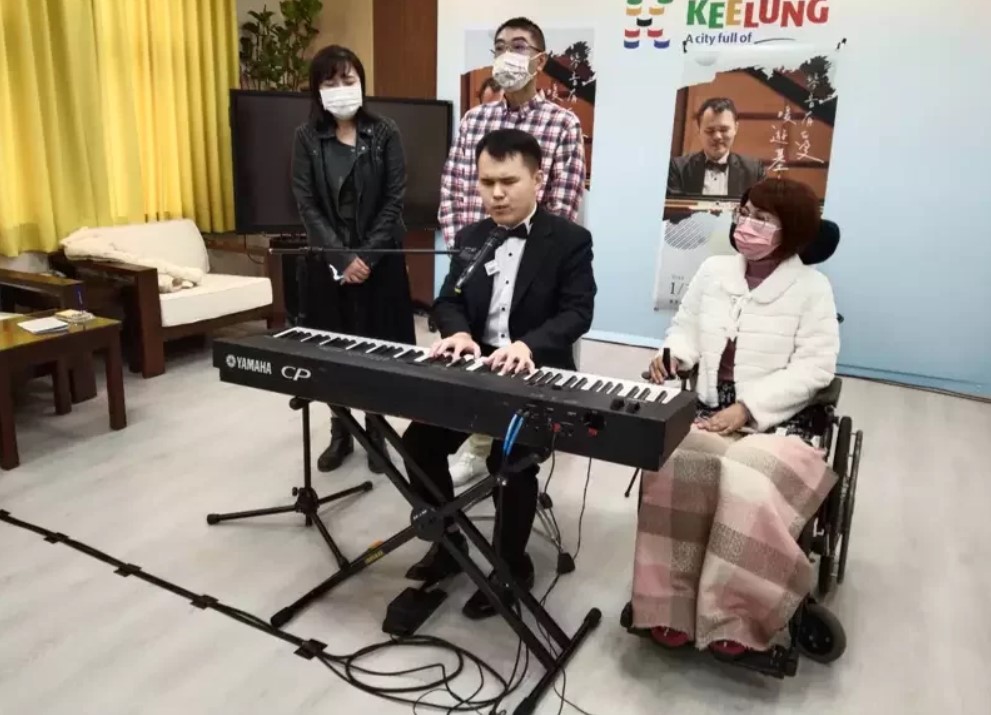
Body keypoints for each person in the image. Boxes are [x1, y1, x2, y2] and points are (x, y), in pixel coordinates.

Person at [632, 177, 840, 656]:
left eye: (763, 219)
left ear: (792, 230)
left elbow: (815, 367)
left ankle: (736, 614)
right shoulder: (713, 272)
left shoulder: (813, 288)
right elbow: (685, 329)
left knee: (746, 481)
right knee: (674, 468)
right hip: (708, 409)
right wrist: (674, 356)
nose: (747, 224)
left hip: (780, 422)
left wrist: (748, 408)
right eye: (744, 213)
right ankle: (670, 604)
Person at [401, 128, 595, 620]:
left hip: (535, 371)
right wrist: (459, 332)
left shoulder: (569, 240)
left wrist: (528, 345)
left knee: (510, 464)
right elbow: (447, 300)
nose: (496, 194)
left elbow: (577, 313)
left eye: (508, 181)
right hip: (475, 365)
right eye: (486, 182)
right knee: (418, 443)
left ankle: (512, 566)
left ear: (538, 179)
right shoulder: (471, 237)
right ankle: (448, 542)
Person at [440, 16, 587, 487]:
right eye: (500, 46)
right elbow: (454, 189)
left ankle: (502, 446)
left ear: (540, 60)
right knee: (473, 345)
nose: (507, 54)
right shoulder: (475, 120)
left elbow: (563, 203)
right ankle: (477, 439)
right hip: (478, 254)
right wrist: (469, 251)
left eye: (519, 46)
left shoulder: (562, 123)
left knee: (522, 353)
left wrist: (531, 255)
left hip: (535, 259)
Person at [291, 45, 416, 474]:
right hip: (329, 263)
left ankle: (376, 429)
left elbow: (394, 201)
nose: (341, 88)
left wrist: (365, 258)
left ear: (362, 82)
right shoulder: (306, 138)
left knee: (377, 351)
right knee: (334, 352)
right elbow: (307, 204)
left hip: (379, 261)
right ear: (317, 89)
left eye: (349, 79)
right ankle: (340, 431)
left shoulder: (385, 132)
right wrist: (342, 258)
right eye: (331, 81)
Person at [668, 97, 766, 198]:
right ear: (699, 130)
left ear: (735, 128)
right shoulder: (677, 169)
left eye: (724, 130)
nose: (717, 137)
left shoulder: (754, 172)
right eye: (710, 131)